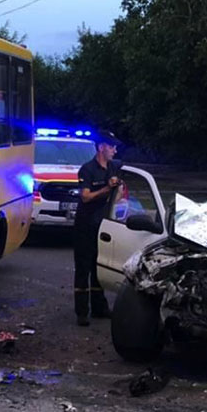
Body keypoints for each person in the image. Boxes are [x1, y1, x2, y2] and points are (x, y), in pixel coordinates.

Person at [73, 129, 121, 326]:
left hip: (103, 224)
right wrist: (106, 189)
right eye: (111, 147)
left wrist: (117, 190)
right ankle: (82, 312)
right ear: (101, 147)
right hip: (85, 224)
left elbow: (118, 194)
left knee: (99, 265)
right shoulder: (87, 169)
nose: (115, 151)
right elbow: (85, 196)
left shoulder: (114, 168)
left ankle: (100, 308)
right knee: (84, 267)